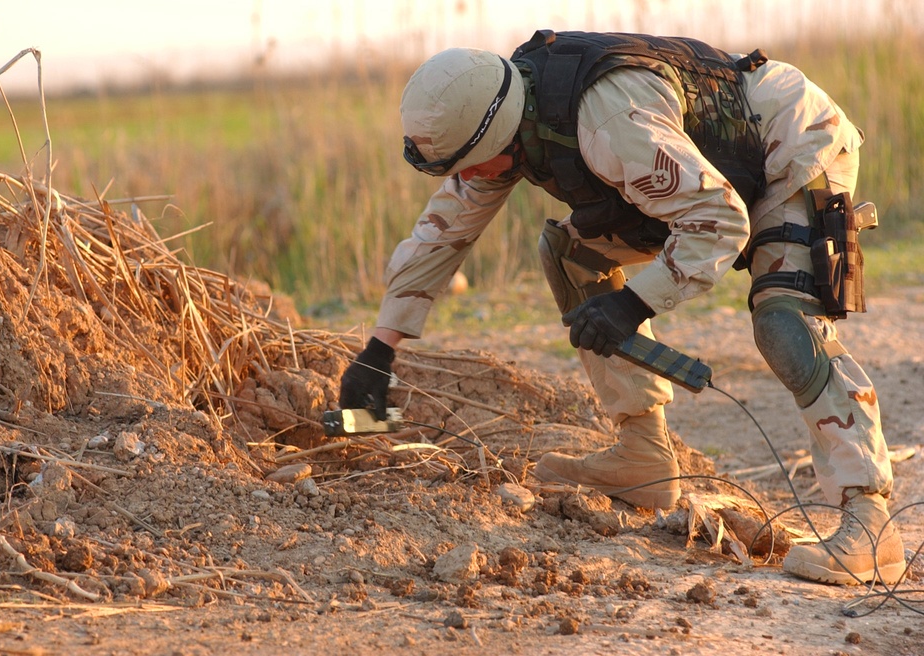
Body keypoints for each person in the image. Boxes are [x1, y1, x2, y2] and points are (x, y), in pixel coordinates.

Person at [338, 30, 904, 586]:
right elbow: (442, 234)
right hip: (704, 172)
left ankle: (871, 524)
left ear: (496, 144)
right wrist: (379, 350)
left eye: (466, 168)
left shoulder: (609, 126)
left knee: (785, 323)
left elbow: (720, 220)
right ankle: (645, 456)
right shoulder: (504, 120)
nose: (464, 180)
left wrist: (631, 305)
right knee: (570, 255)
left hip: (789, 143)